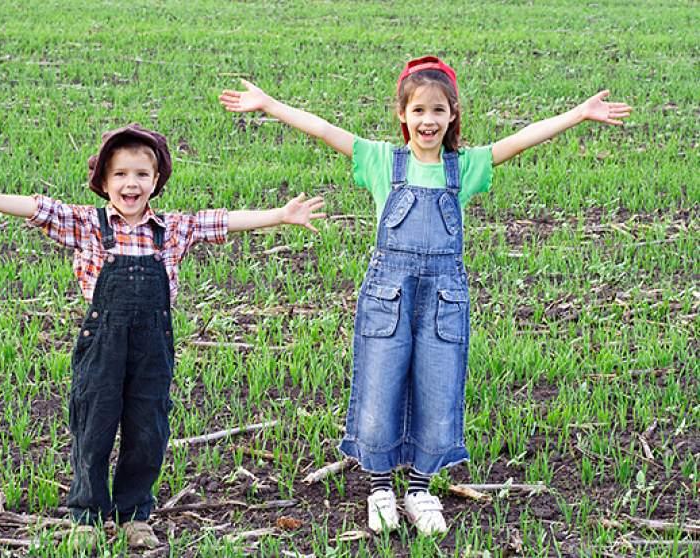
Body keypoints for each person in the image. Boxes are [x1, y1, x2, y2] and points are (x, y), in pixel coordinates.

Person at [220, 56, 631, 535]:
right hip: (387, 298)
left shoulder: (467, 168)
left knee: (439, 391)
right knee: (379, 388)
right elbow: (323, 128)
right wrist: (269, 104)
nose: (428, 121)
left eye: (438, 111)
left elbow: (522, 138)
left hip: (444, 300)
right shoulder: (380, 161)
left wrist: (578, 114)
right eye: (418, 111)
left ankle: (418, 489)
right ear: (402, 116)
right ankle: (379, 489)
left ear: (453, 115)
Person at [0, 124, 326, 548]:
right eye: (121, 174)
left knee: (147, 429)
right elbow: (39, 208)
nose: (131, 183)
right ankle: (86, 514)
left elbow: (225, 221)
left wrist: (281, 215)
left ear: (156, 181)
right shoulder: (88, 224)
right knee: (94, 426)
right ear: (103, 182)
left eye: (142, 174)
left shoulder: (174, 229)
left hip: (152, 348)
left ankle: (134, 513)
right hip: (102, 344)